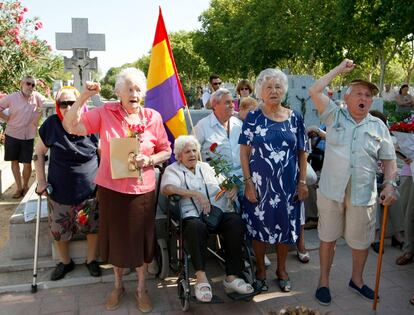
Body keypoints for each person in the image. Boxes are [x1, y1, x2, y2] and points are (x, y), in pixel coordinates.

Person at [62, 68, 171, 312]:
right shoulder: (105, 113)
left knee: (141, 241)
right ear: (119, 92)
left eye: (138, 89)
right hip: (112, 189)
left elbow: (166, 150)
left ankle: (142, 289)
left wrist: (150, 160)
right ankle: (118, 285)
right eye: (129, 89)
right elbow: (71, 125)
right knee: (117, 241)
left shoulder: (153, 117)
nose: (134, 93)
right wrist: (84, 97)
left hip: (142, 190)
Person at [309, 59, 397, 306]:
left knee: (361, 242)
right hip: (331, 190)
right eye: (358, 93)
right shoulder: (333, 115)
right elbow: (314, 90)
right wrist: (338, 69)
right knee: (327, 237)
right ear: (346, 97)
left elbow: (389, 160)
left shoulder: (378, 126)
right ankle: (323, 281)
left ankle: (356, 280)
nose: (364, 98)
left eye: (368, 95)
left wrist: (390, 184)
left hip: (363, 193)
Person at [239, 68, 309, 293]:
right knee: (259, 229)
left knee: (285, 229)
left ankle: (281, 270)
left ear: (284, 91)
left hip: (288, 186)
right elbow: (244, 152)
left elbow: (302, 152)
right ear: (260, 90)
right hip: (259, 186)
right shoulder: (253, 117)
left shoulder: (295, 117)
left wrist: (302, 182)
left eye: (278, 86)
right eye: (268, 87)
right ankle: (260, 270)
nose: (273, 91)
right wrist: (248, 182)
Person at [160, 135, 253, 302]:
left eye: (194, 150)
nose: (192, 154)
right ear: (179, 155)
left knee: (235, 221)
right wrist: (195, 194)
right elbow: (167, 188)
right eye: (187, 151)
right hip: (192, 216)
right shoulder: (173, 170)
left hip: (216, 213)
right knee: (196, 227)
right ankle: (201, 277)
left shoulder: (207, 167)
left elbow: (225, 183)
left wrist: (231, 188)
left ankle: (232, 277)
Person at [34, 86, 100, 280]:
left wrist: (104, 185)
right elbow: (38, 153)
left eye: (72, 102)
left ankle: (91, 260)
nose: (68, 107)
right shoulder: (52, 124)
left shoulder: (91, 123)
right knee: (58, 231)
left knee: (92, 227)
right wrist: (41, 182)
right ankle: (65, 262)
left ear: (81, 103)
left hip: (89, 191)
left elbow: (102, 154)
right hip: (59, 191)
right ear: (57, 106)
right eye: (64, 103)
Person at [0, 75, 46, 198]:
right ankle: (18, 188)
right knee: (14, 161)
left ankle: (25, 186)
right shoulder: (12, 97)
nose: (30, 86)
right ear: (22, 83)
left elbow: (47, 104)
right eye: (28, 83)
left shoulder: (37, 97)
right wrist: (5, 118)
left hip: (28, 135)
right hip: (12, 134)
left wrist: (39, 112)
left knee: (27, 163)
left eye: (33, 85)